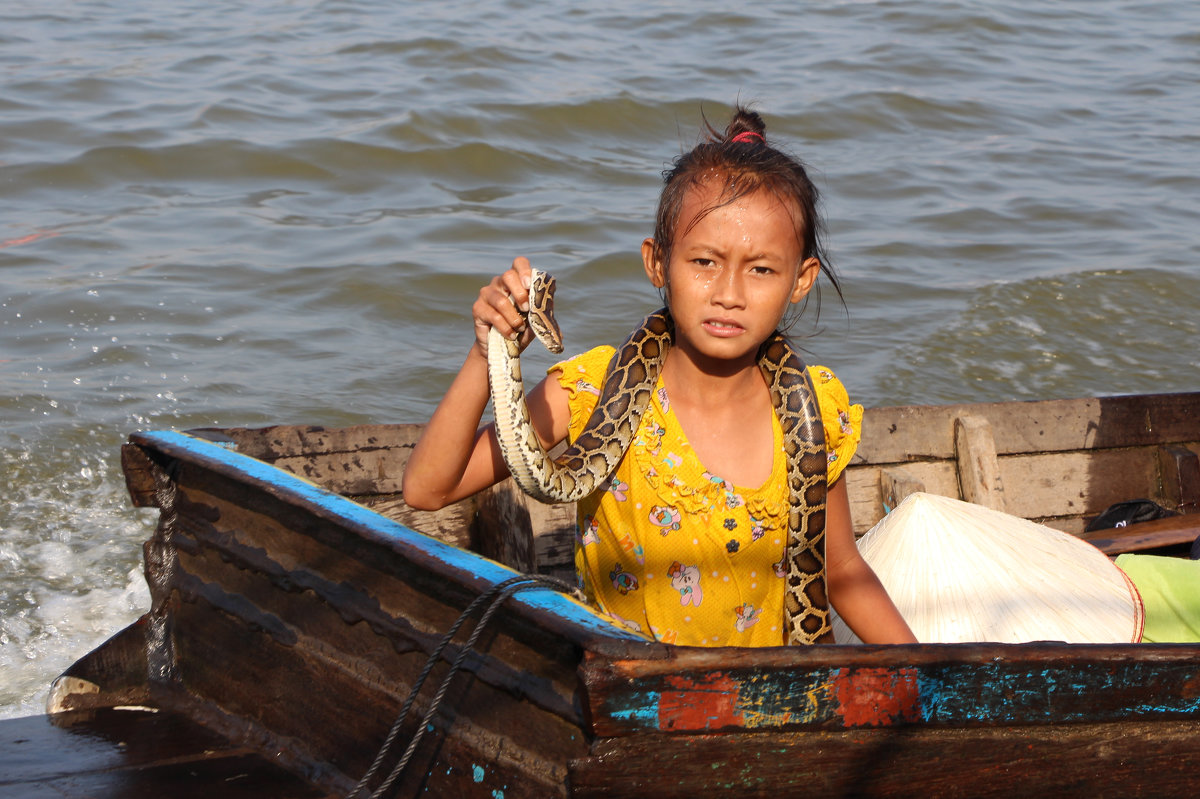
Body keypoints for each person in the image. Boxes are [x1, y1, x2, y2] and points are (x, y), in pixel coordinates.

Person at [403, 106, 916, 646]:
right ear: (657, 264)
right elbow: (428, 488)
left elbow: (839, 573)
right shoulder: (593, 389)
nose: (729, 293)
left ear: (801, 279)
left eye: (761, 269)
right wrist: (487, 352)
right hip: (629, 702)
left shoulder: (814, 413)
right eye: (703, 262)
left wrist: (935, 679)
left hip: (769, 703)